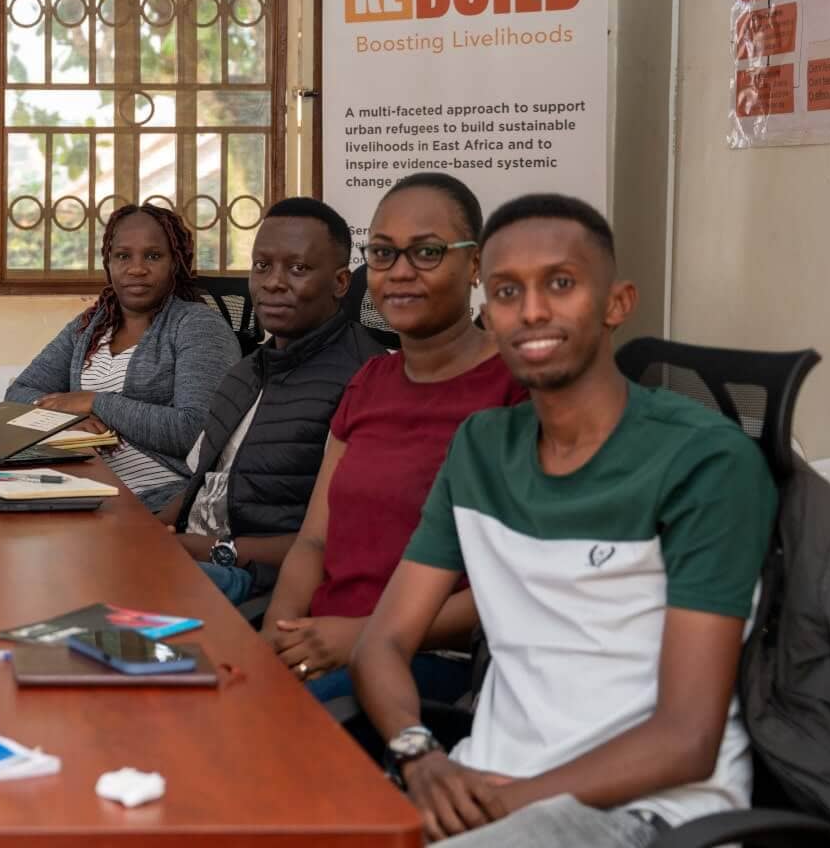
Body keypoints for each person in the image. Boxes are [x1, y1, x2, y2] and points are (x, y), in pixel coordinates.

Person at [352, 194, 775, 846]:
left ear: (617, 303)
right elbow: (382, 642)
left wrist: (498, 803)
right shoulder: (481, 448)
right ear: (486, 309)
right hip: (480, 785)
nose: (532, 310)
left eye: (561, 283)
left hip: (642, 813)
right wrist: (421, 756)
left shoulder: (706, 461)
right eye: (505, 290)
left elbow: (687, 740)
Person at [259, 172, 525, 704]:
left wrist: (362, 636)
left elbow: (516, 583)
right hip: (321, 642)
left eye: (426, 252)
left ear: (475, 265)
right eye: (382, 254)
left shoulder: (516, 390)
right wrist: (274, 639)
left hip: (430, 661)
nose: (400, 272)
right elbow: (313, 541)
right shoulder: (370, 381)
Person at [172, 196, 387, 604]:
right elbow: (201, 486)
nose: (273, 282)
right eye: (262, 266)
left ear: (341, 283)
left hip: (264, 586)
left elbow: (352, 540)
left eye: (298, 268)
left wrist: (220, 551)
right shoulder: (245, 372)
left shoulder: (365, 380)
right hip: (196, 560)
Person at [5, 203, 239, 514]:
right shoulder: (90, 326)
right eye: (123, 256)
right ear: (109, 262)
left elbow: (194, 431)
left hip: (162, 500)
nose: (136, 268)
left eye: (153, 256)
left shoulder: (197, 326)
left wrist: (96, 402)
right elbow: (17, 395)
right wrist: (71, 417)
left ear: (176, 263)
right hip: (82, 488)